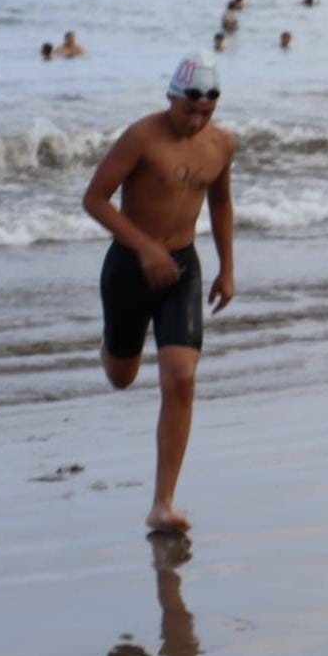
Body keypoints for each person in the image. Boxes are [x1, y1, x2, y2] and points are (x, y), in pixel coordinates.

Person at [82, 52, 235, 533]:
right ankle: (110, 344)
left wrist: (227, 269)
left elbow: (221, 202)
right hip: (130, 266)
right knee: (122, 377)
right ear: (171, 96)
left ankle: (163, 503)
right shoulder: (141, 137)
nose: (196, 119)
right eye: (188, 109)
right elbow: (94, 198)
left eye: (206, 111)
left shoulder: (221, 145)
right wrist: (145, 248)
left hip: (182, 269)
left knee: (182, 377)